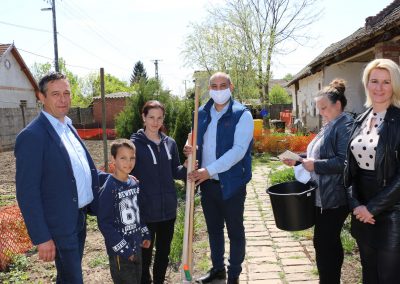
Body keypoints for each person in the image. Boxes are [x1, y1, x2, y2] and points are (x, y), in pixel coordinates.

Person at [15, 72, 102, 283]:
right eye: (55, 94)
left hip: (79, 217)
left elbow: (81, 169)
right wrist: (42, 237)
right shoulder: (32, 136)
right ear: (41, 97)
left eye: (66, 93)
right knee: (73, 279)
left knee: (67, 277)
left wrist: (117, 177)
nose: (63, 99)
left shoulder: (68, 126)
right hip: (59, 223)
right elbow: (27, 193)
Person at [282, 79, 353, 284]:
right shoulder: (331, 124)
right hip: (323, 197)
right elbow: (318, 153)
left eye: (324, 108)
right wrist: (298, 158)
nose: (321, 112)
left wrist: (316, 166)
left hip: (335, 199)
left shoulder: (344, 126)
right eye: (318, 108)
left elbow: (344, 162)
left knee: (325, 243)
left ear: (337, 105)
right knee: (323, 243)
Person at [186, 72, 254, 284]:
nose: (218, 89)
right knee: (214, 230)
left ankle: (233, 274)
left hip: (232, 183)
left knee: (235, 231)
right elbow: (195, 140)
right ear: (209, 90)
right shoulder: (202, 112)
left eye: (222, 85)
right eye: (213, 86)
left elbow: (238, 151)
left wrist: (209, 170)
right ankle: (218, 269)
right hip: (208, 184)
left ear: (231, 87)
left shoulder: (242, 114)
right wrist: (189, 147)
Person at [344, 58, 400, 283]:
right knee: (368, 273)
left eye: (386, 82)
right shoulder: (360, 119)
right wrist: (356, 204)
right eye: (374, 81)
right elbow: (350, 169)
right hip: (362, 209)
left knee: (389, 277)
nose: (379, 88)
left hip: (393, 210)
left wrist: (373, 208)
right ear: (366, 84)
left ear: (395, 85)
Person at [130, 100, 187, 284]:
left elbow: (175, 172)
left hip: (168, 210)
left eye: (159, 118)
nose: (155, 122)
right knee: (145, 256)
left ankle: (159, 281)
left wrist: (186, 165)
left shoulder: (169, 143)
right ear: (144, 118)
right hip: (145, 212)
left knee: (164, 253)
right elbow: (126, 173)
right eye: (151, 117)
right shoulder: (134, 145)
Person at [97, 139, 151, 284]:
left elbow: (138, 212)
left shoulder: (133, 183)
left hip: (136, 246)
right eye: (123, 158)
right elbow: (104, 224)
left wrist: (145, 232)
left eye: (132, 157)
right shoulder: (110, 188)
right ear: (113, 159)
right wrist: (124, 249)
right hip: (120, 253)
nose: (129, 162)